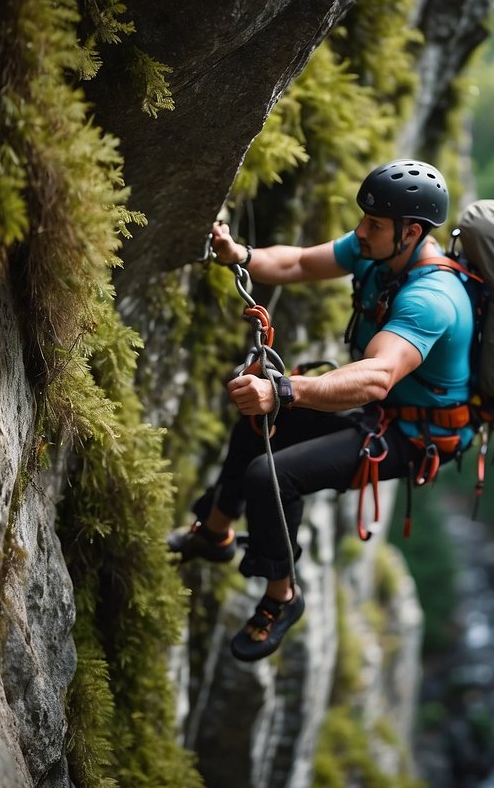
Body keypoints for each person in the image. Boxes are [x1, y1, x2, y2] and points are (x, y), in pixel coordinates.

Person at [169, 159, 475, 662]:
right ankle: (216, 533)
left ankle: (282, 597)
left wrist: (285, 390)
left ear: (412, 232)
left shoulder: (432, 298)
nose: (360, 231)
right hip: (379, 410)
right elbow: (300, 265)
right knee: (259, 421)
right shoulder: (381, 251)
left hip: (411, 436)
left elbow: (377, 378)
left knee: (273, 474)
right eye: (364, 220)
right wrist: (240, 254)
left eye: (373, 225)